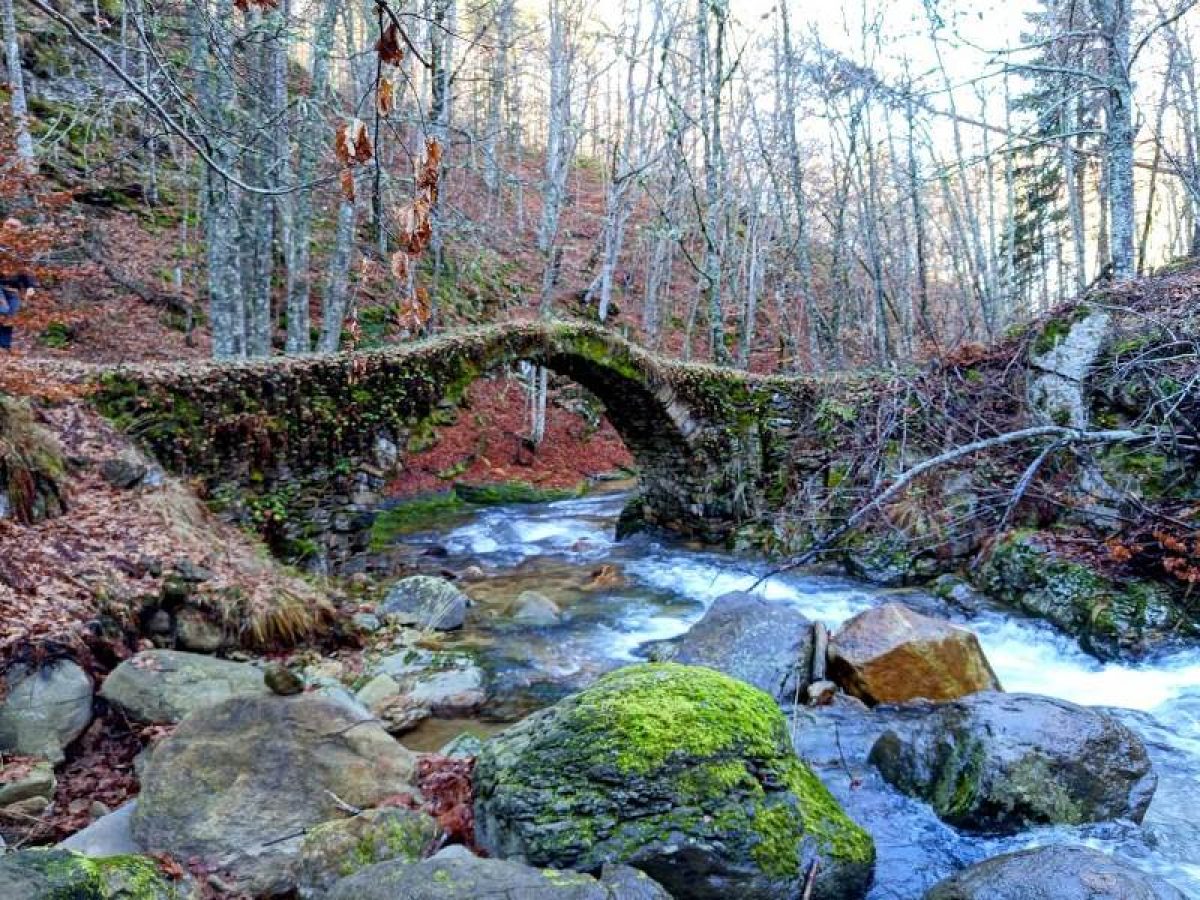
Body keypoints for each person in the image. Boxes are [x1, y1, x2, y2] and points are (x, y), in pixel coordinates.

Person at [0, 274, 36, 352]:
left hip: (14, 291)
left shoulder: (20, 264)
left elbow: (25, 273)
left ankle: (4, 345)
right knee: (3, 311)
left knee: (10, 319)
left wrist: (30, 286)